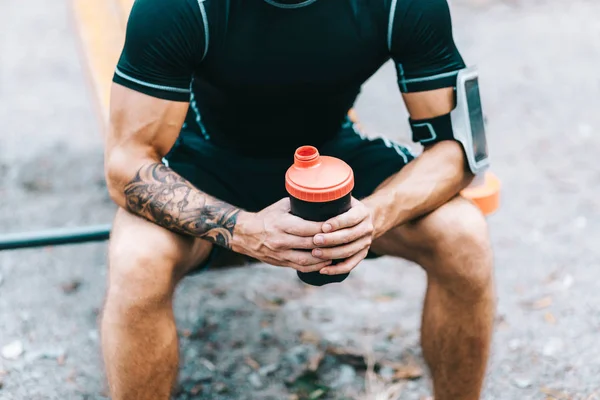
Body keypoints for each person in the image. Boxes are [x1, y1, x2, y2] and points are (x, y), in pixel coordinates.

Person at [102, 0, 496, 399]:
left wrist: (373, 215)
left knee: (463, 235)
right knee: (137, 260)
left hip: (330, 157)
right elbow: (126, 164)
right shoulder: (177, 7)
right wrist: (243, 230)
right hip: (206, 166)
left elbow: (458, 149)